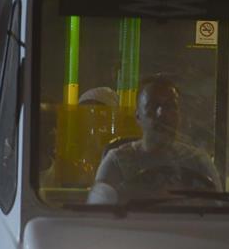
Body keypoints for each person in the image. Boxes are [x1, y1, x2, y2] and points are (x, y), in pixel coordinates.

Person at [88, 74, 221, 204]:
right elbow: (98, 215)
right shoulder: (117, 163)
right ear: (138, 116)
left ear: (180, 115)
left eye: (170, 106)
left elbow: (219, 214)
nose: (162, 114)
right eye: (152, 106)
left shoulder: (198, 161)